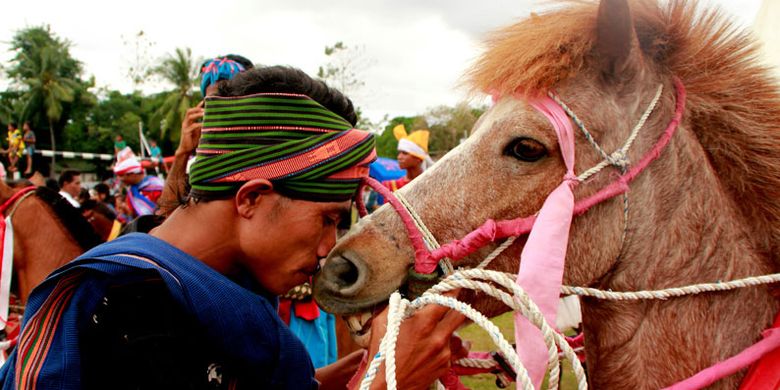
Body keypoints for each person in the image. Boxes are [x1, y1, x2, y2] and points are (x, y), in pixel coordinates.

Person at [0, 66, 465, 390]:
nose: (329, 249)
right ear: (252, 199)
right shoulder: (121, 306)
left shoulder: (221, 293)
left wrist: (373, 366)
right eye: (327, 218)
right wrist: (388, 384)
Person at [157, 54, 254, 217]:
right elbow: (165, 215)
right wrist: (182, 152)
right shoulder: (198, 165)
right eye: (212, 102)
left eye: (228, 99)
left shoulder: (273, 153)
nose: (220, 109)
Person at [382, 124, 434, 192]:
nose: (399, 157)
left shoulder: (431, 184)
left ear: (419, 159)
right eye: (399, 153)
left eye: (405, 153)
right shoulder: (390, 186)